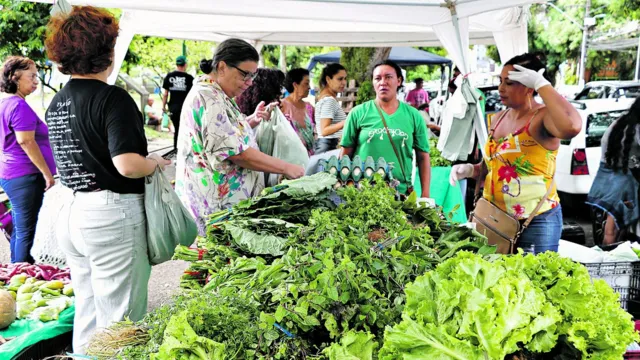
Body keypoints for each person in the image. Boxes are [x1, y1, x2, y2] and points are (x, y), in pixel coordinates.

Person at [44, 6, 171, 354]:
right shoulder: (113, 98)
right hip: (110, 215)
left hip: (72, 212)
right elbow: (128, 165)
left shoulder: (57, 102)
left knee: (88, 308)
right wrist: (155, 163)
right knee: (121, 319)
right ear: (108, 52)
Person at [449, 53, 582, 254]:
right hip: (495, 218)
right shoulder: (498, 118)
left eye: (509, 83)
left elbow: (572, 126)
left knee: (531, 281)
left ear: (529, 86)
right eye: (500, 81)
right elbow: (497, 167)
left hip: (535, 221)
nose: (501, 88)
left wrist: (542, 84)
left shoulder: (542, 118)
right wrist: (470, 170)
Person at [175, 39, 305, 235]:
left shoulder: (218, 94)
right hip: (217, 209)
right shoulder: (209, 97)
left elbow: (226, 135)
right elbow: (237, 154)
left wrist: (252, 120)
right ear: (221, 67)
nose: (250, 82)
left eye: (253, 76)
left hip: (222, 205)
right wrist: (286, 167)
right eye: (245, 75)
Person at [341, 60, 431, 197]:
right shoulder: (358, 113)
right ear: (373, 82)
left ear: (399, 81)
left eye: (388, 77)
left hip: (400, 192)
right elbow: (345, 154)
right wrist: (344, 187)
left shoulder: (413, 115)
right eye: (377, 78)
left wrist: (425, 194)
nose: (383, 82)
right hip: (362, 193)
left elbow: (423, 156)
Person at [0, 56, 56, 264]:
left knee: (21, 228)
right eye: (31, 76)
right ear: (14, 77)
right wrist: (47, 174)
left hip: (14, 175)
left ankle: (17, 273)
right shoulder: (18, 106)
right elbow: (26, 141)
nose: (36, 81)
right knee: (27, 230)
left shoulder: (6, 103)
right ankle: (23, 275)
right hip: (25, 176)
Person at [591, 97, 640, 245]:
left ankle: (610, 261)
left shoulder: (618, 124)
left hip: (613, 184)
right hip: (631, 185)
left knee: (611, 231)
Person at [162, 55, 194, 151]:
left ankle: (176, 149)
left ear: (177, 64)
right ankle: (184, 149)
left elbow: (165, 94)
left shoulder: (169, 76)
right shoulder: (189, 78)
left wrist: (163, 107)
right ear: (185, 64)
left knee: (177, 129)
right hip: (185, 108)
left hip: (173, 108)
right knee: (185, 129)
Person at [281, 68, 316, 155]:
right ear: (295, 85)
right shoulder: (281, 106)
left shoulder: (309, 108)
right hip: (290, 159)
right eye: (306, 83)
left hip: (310, 159)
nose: (309, 87)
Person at [315, 63, 347, 154]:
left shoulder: (324, 97)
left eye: (345, 78)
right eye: (340, 79)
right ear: (328, 79)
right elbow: (324, 130)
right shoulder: (329, 100)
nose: (344, 82)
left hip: (327, 147)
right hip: (329, 148)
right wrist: (347, 121)